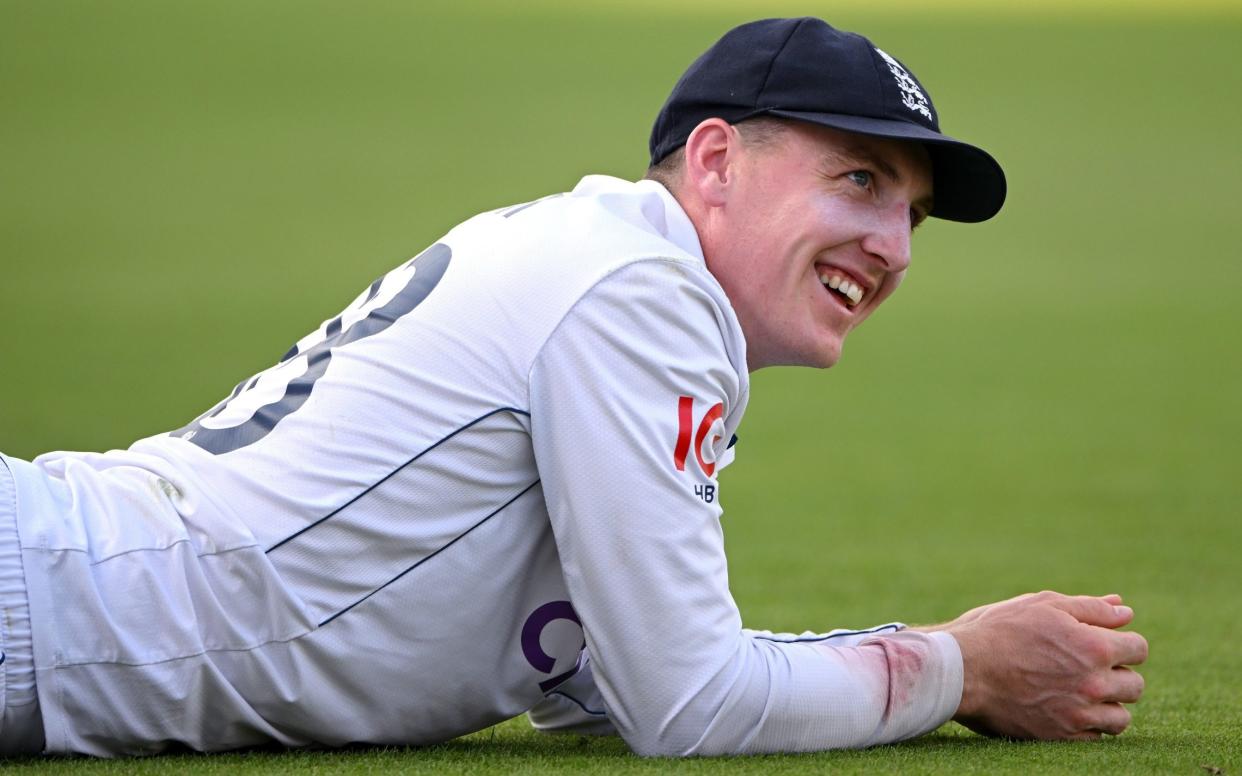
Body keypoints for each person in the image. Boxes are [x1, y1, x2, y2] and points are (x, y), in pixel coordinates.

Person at [0, 17, 1146, 758]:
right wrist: (961, 665)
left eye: (912, 214)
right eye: (859, 180)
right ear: (713, 164)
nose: (891, 243)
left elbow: (603, 678)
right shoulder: (639, 293)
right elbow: (690, 706)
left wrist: (937, 649)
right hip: (38, 600)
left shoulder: (610, 263)